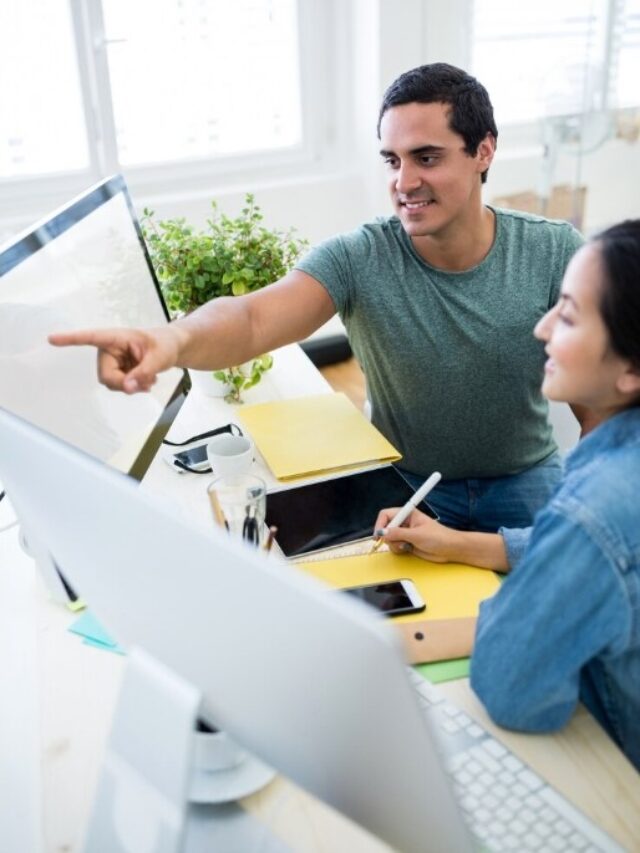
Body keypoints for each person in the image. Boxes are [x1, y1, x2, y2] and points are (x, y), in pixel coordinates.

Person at [49, 63, 584, 533]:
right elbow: (253, 318)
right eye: (392, 161)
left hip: (525, 482)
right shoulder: (361, 256)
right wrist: (170, 339)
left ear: (483, 150)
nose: (405, 181)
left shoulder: (553, 252)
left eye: (426, 157)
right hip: (408, 487)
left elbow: (604, 406)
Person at [374, 220, 640, 770]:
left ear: (630, 369)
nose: (541, 329)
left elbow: (510, 686)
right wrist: (459, 543)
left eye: (567, 315)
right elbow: (591, 555)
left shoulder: (594, 510)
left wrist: (516, 607)